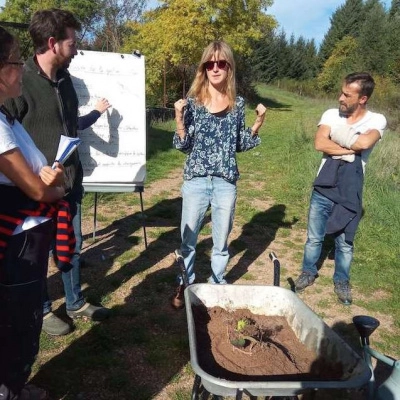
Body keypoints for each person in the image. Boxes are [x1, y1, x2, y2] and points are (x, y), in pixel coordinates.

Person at [5, 8, 110, 336]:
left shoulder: (65, 81)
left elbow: (69, 125)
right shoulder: (20, 84)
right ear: (52, 43)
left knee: (71, 243)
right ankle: (45, 307)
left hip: (68, 183)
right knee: (35, 253)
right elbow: (6, 136)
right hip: (33, 191)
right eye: (71, 43)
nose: (76, 49)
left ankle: (75, 300)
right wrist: (33, 179)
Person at [171, 40, 267, 309]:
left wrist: (258, 122)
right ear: (204, 68)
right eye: (209, 63)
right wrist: (179, 118)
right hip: (196, 181)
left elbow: (241, 144)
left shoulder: (237, 104)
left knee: (221, 240)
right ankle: (185, 281)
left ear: (229, 67)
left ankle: (217, 281)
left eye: (221, 63)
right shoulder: (192, 103)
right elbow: (183, 145)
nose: (215, 68)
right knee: (188, 239)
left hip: (225, 182)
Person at [0, 26, 67, 399]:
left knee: (21, 316)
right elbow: (36, 189)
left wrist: (47, 177)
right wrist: (57, 189)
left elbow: (33, 175)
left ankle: (13, 384)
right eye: (14, 61)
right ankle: (10, 389)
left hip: (26, 235)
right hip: (17, 239)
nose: (21, 68)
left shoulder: (6, 119)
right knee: (16, 319)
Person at [294, 72, 386, 305]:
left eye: (347, 94)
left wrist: (336, 137)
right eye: (341, 92)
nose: (340, 98)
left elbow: (365, 143)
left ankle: (342, 281)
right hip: (323, 187)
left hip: (349, 191)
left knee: (345, 243)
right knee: (314, 237)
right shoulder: (331, 114)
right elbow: (319, 142)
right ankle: (308, 272)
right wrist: (349, 148)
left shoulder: (377, 120)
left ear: (362, 98)